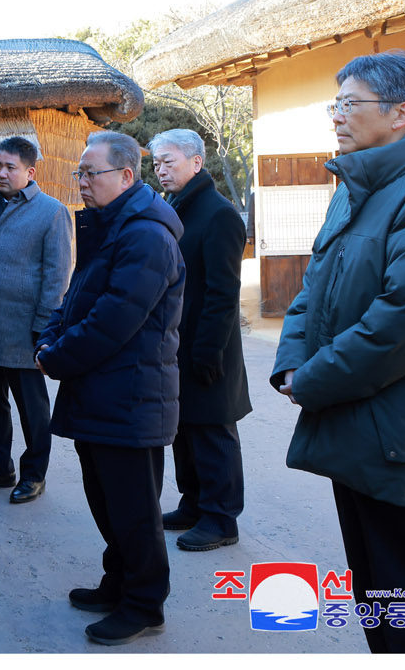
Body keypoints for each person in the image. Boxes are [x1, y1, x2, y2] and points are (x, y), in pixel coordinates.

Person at [271, 49, 405, 653]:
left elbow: (404, 323)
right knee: (379, 601)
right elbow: (314, 288)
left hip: (402, 438)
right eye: (336, 103)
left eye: (349, 104)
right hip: (358, 425)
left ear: (401, 113)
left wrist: (314, 380)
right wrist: (290, 362)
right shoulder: (356, 187)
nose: (336, 116)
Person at [35, 130, 184, 647]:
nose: (81, 183)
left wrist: (55, 357)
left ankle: (145, 604)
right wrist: (51, 335)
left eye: (89, 173)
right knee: (107, 500)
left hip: (130, 396)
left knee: (134, 509)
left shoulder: (146, 235)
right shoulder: (110, 226)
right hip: (102, 392)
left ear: (125, 176)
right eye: (79, 173)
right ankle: (119, 582)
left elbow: (112, 321)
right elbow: (75, 297)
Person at [148, 128, 251, 552]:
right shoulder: (175, 208)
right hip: (178, 340)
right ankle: (193, 504)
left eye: (168, 162)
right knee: (184, 430)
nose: (160, 170)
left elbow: (224, 291)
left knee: (212, 431)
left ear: (196, 162)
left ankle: (221, 518)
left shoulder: (219, 213)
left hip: (210, 344)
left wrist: (208, 350)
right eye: (156, 164)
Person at [0, 136, 73, 504]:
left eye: (10, 167)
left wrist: (44, 325)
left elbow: (58, 275)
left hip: (26, 328)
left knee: (33, 410)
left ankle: (34, 475)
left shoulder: (51, 212)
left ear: (30, 172)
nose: (2, 172)